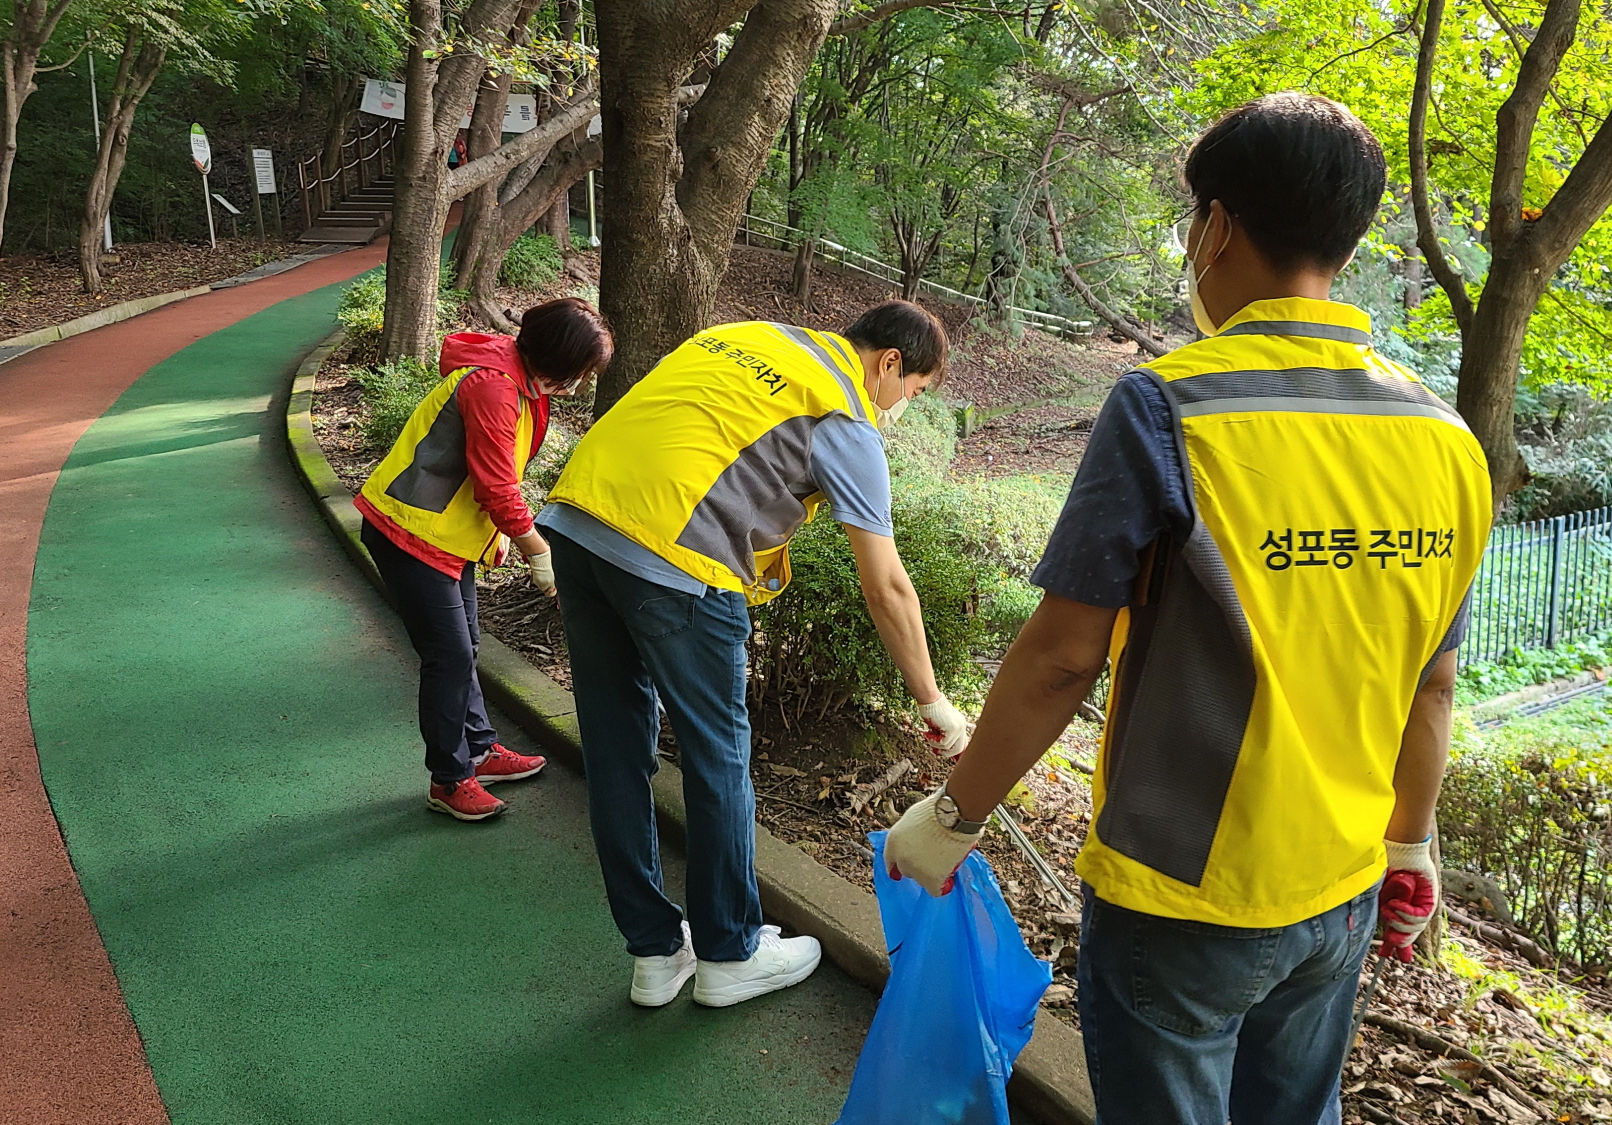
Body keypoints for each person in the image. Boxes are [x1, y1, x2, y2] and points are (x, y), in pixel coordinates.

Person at [884, 94, 1493, 1123]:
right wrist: (1408, 845)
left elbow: (1061, 658)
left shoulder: (1168, 405)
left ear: (1213, 226)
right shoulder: (1445, 438)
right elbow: (1431, 680)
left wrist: (954, 816)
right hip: (1338, 886)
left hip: (1178, 894)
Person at [537, 301, 975, 1009]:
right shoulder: (842, 412)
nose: (903, 408)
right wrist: (932, 699)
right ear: (890, 363)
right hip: (675, 559)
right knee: (718, 755)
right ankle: (729, 951)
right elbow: (886, 582)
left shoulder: (753, 337)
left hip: (580, 523)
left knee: (616, 750)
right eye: (914, 393)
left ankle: (654, 952)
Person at [356, 296, 613, 822]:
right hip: (407, 532)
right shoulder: (494, 386)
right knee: (448, 656)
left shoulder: (517, 376)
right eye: (582, 372)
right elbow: (498, 488)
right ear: (559, 360)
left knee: (466, 646)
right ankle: (449, 780)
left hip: (444, 536)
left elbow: (496, 475)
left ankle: (480, 748)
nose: (582, 385)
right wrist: (539, 555)